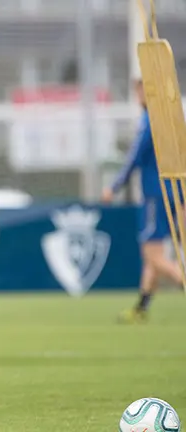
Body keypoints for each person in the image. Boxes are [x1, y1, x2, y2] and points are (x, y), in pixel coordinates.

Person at [102, 79, 183, 324]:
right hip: (176, 191)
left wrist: (114, 187)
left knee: (153, 255)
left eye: (141, 91)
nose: (138, 96)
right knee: (153, 257)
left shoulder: (150, 120)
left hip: (155, 194)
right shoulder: (171, 120)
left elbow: (134, 157)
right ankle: (142, 307)